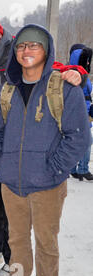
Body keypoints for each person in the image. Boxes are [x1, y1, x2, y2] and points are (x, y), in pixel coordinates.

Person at [0, 12, 85, 276]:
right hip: (10, 178)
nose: (26, 50)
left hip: (47, 184)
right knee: (18, 243)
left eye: (34, 45)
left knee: (46, 246)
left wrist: (53, 170)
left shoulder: (60, 86)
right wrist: (1, 163)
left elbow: (77, 137)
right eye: (21, 45)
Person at [69, 44, 92, 181]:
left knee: (80, 141)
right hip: (78, 112)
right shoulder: (75, 74)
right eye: (86, 59)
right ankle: (82, 169)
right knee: (86, 141)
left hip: (85, 111)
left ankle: (75, 168)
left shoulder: (84, 75)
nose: (89, 62)